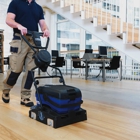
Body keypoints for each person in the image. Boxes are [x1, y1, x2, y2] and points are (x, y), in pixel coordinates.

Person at [2, 0, 50, 107]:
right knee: (16, 69)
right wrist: (18, 26)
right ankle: (6, 90)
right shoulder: (15, 2)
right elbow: (9, 19)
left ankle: (25, 97)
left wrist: (45, 29)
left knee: (31, 71)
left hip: (34, 40)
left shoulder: (38, 7)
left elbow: (42, 23)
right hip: (20, 39)